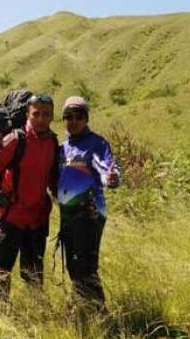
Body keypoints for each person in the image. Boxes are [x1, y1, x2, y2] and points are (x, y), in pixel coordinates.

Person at [0, 94, 58, 312]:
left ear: (52, 116)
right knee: (2, 267)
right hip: (11, 216)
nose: (41, 119)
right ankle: (4, 311)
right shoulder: (16, 139)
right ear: (27, 114)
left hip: (37, 218)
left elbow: (52, 177)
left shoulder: (52, 141)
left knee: (33, 270)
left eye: (46, 115)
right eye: (36, 114)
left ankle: (36, 309)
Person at [56, 96, 120, 312]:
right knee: (73, 265)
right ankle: (80, 308)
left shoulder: (96, 143)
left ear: (86, 118)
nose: (73, 121)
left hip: (89, 213)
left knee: (86, 266)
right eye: (68, 117)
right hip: (68, 215)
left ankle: (101, 315)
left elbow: (106, 167)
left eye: (79, 117)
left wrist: (111, 178)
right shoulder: (62, 148)